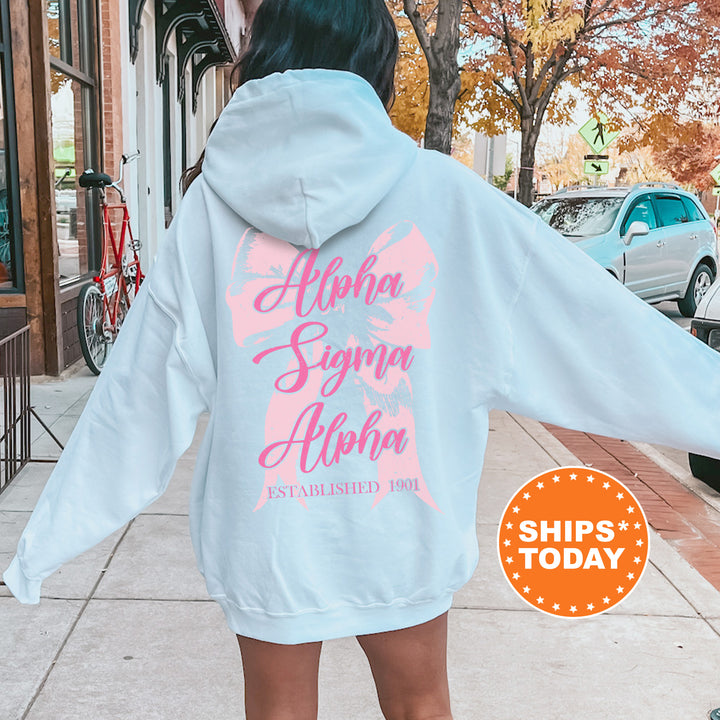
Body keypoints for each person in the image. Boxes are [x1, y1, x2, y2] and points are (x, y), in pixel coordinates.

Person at [4, 1, 720, 719]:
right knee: (419, 707)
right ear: (376, 65)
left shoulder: (210, 209)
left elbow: (138, 393)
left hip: (266, 531)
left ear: (264, 52)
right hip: (403, 522)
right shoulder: (445, 195)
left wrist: (47, 540)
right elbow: (596, 329)